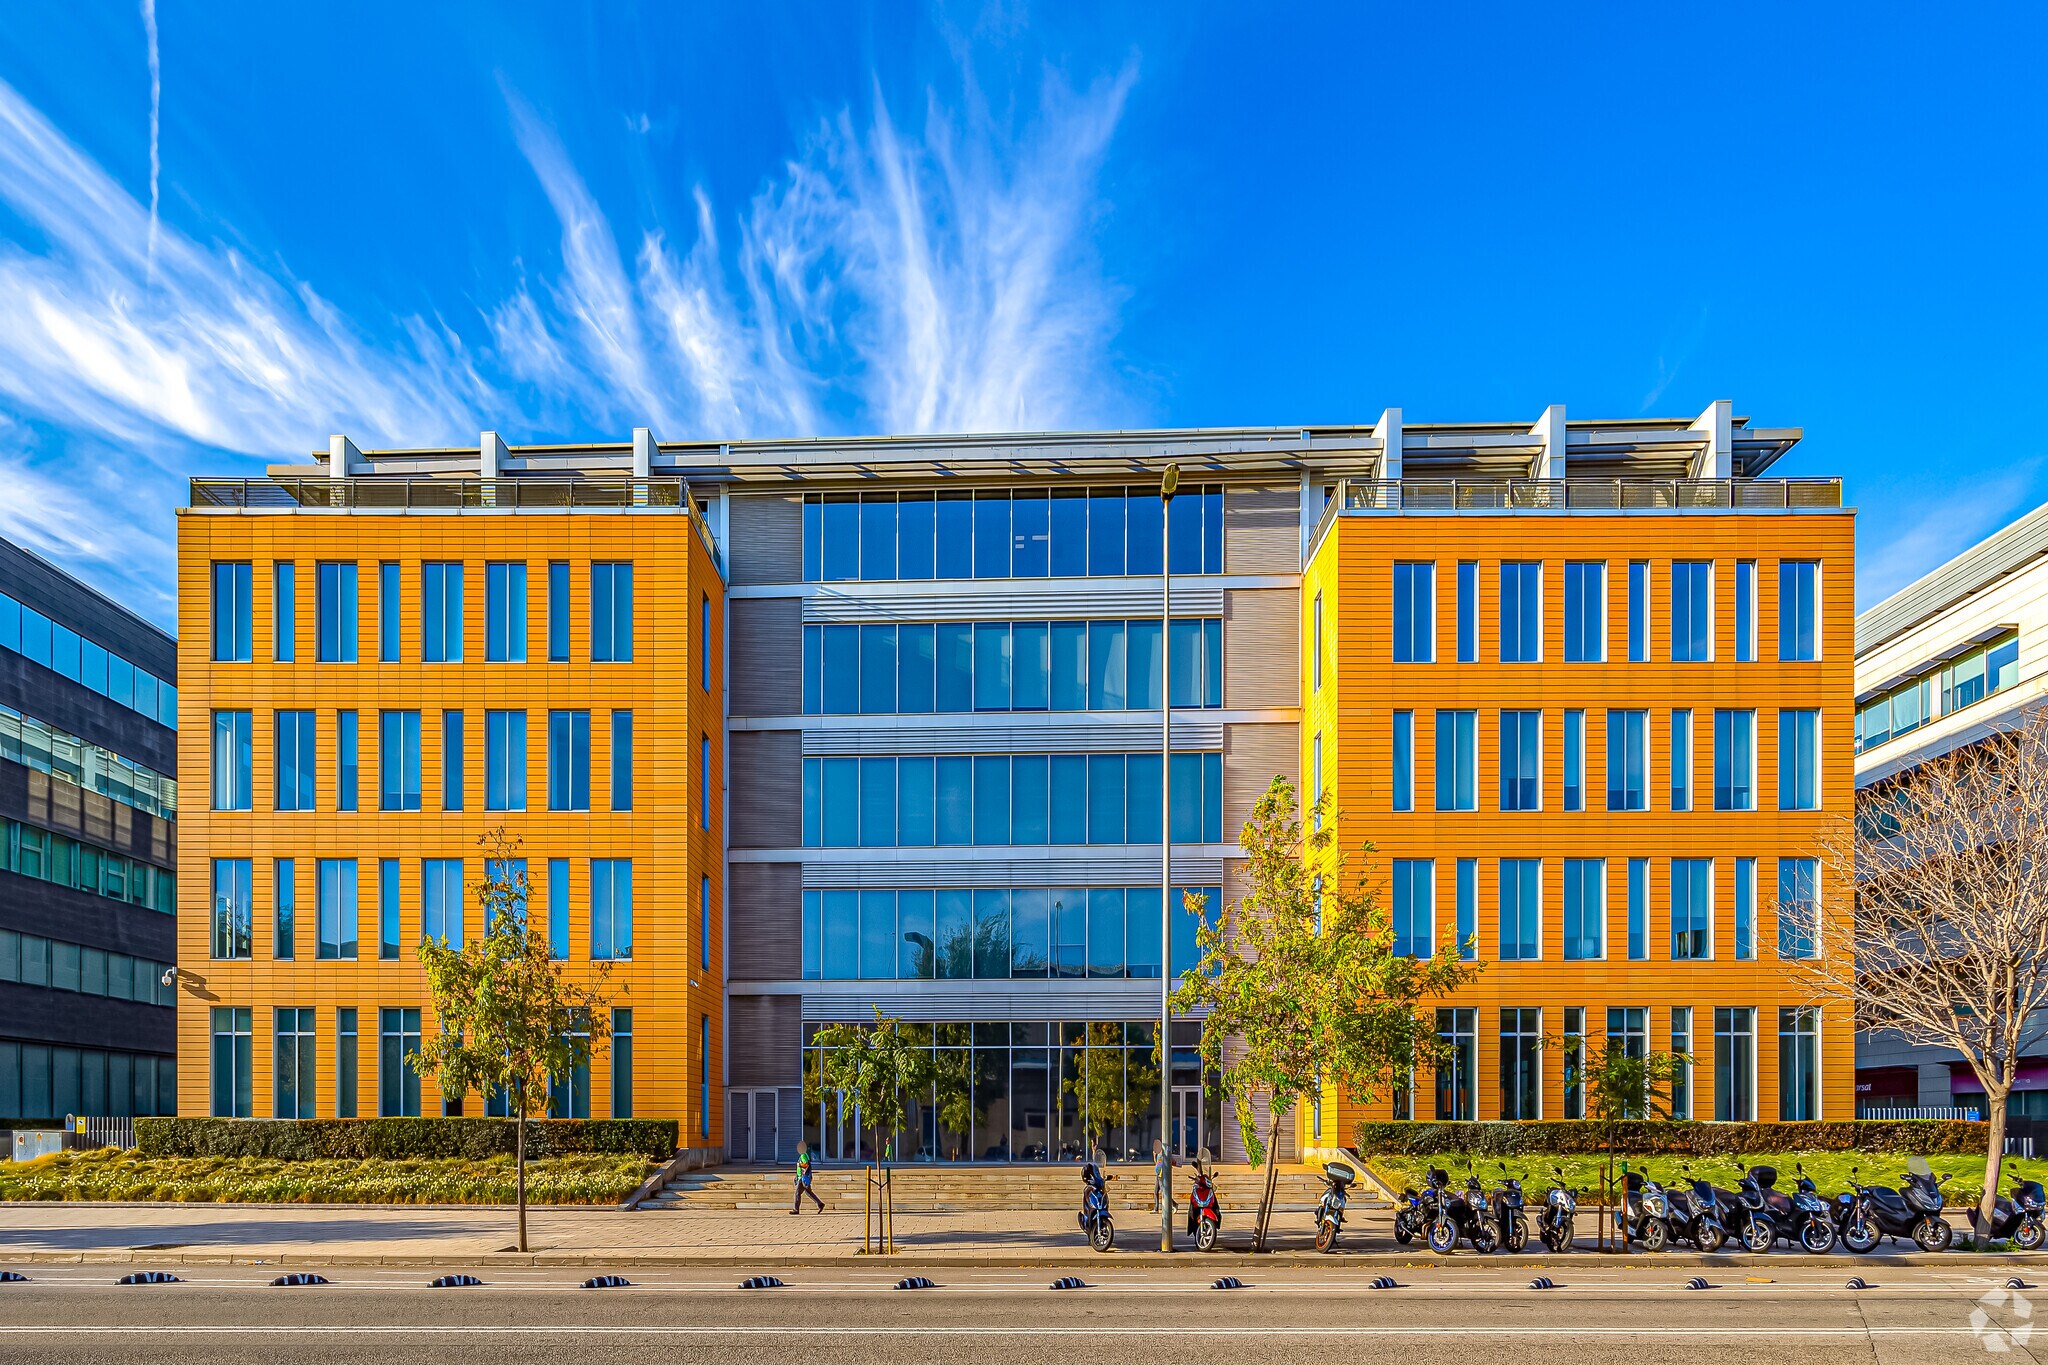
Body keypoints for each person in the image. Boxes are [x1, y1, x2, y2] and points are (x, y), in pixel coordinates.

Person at [791, 1141, 824, 1214]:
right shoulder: (805, 1155)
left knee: (797, 1193)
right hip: (803, 1177)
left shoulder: (803, 1155)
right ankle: (820, 1204)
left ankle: (796, 1210)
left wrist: (799, 1165)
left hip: (802, 1178)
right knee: (809, 1192)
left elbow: (806, 1164)